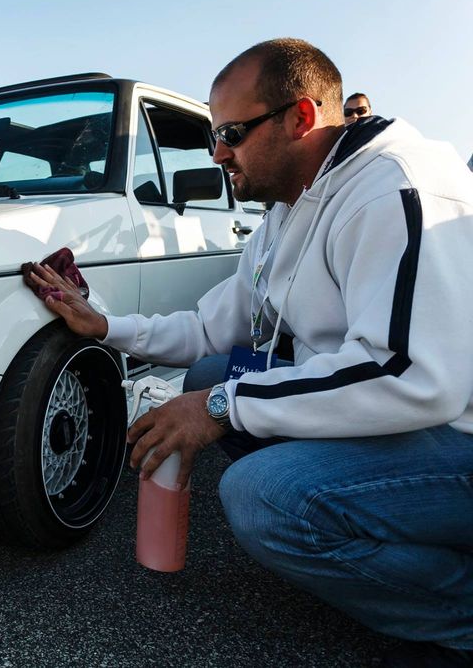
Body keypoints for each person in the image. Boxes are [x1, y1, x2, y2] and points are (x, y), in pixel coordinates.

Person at [28, 38, 473, 665]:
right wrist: (105, 326)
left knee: (261, 495)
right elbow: (211, 330)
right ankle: (366, 537)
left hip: (455, 431)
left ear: (301, 118)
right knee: (212, 373)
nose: (217, 154)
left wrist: (219, 407)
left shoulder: (394, 190)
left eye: (231, 134)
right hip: (403, 407)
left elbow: (408, 375)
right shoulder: (284, 213)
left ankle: (455, 615)